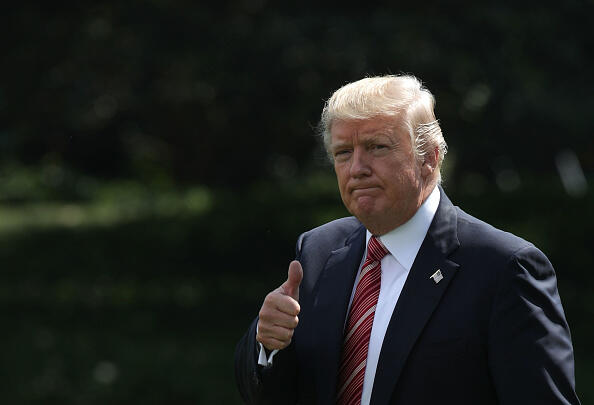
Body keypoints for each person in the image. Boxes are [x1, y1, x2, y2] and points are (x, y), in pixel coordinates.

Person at [234, 75, 580, 405]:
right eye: (343, 153)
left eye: (377, 147)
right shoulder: (317, 251)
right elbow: (275, 394)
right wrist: (267, 344)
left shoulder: (504, 267)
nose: (357, 168)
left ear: (429, 157)